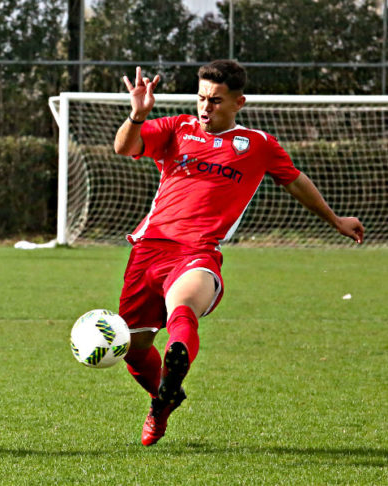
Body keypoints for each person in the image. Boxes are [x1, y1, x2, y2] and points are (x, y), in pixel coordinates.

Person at [113, 60, 364, 446]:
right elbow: (123, 146)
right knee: (134, 349)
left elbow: (295, 181)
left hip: (198, 252)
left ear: (238, 103)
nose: (205, 107)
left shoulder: (258, 145)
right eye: (201, 97)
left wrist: (335, 220)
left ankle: (171, 373)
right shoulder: (176, 128)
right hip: (148, 249)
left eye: (215, 100)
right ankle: (165, 398)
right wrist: (137, 114)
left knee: (183, 308)